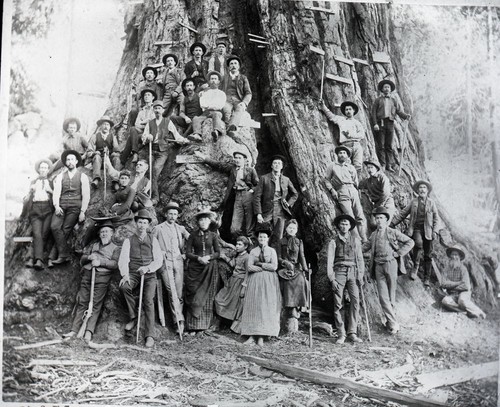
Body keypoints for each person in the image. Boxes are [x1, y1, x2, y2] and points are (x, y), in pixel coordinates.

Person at [63, 221, 120, 341]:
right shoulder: (93, 245)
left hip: (102, 278)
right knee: (82, 302)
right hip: (88, 275)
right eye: (102, 232)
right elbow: (82, 259)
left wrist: (101, 262)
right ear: (99, 234)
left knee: (95, 305)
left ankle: (88, 331)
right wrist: (89, 257)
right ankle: (74, 330)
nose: (104, 234)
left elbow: (115, 264)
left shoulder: (116, 248)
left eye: (106, 232)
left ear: (112, 233)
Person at [363, 207, 414, 334]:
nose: (379, 220)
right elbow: (365, 247)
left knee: (391, 296)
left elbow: (410, 241)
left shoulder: (392, 232)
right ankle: (393, 322)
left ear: (386, 219)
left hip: (391, 264)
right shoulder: (374, 235)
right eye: (377, 218)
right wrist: (353, 249)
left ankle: (391, 322)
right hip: (378, 266)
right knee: (382, 297)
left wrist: (399, 253)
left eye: (381, 218)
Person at [118, 209, 163, 347]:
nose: (142, 225)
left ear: (148, 225)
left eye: (145, 223)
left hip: (149, 275)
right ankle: (133, 316)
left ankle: (150, 335)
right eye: (140, 222)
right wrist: (125, 274)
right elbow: (123, 259)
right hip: (133, 273)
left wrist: (148, 268)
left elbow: (159, 260)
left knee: (148, 300)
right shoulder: (128, 240)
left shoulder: (153, 239)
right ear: (136, 224)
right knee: (124, 286)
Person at [194, 149, 259, 240]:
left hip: (248, 196)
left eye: (239, 158)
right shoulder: (232, 169)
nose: (237, 160)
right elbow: (219, 165)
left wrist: (252, 191)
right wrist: (204, 158)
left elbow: (257, 185)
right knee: (234, 229)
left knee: (249, 227)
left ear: (244, 160)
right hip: (237, 197)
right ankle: (239, 243)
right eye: (236, 158)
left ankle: (249, 248)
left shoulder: (251, 170)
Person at [391, 180, 440, 285]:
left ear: (427, 191)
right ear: (417, 190)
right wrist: (393, 223)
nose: (422, 190)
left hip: (429, 231)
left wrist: (435, 231)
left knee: (428, 254)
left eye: (424, 188)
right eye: (420, 188)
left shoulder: (431, 203)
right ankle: (415, 267)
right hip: (416, 229)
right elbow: (403, 213)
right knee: (418, 244)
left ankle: (427, 277)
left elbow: (436, 219)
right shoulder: (414, 202)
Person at [240, 223, 281, 346]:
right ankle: (252, 335)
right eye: (260, 237)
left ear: (267, 239)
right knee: (254, 305)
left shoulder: (271, 251)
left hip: (269, 282)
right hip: (255, 281)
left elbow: (274, 267)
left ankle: (262, 336)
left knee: (265, 306)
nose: (262, 239)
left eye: (264, 237)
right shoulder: (253, 251)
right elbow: (249, 267)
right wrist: (257, 268)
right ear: (257, 239)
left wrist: (261, 265)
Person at [152, 201, 190, 332]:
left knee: (179, 293)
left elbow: (192, 240)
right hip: (165, 263)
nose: (173, 216)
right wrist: (159, 253)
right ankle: (179, 320)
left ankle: (179, 320)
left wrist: (186, 253)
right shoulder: (158, 228)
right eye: (170, 214)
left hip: (178, 262)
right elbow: (151, 244)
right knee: (171, 290)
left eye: (175, 214)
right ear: (166, 214)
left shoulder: (180, 229)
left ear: (178, 215)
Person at [327, 215, 364, 343]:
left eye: (346, 224)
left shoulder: (356, 240)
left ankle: (352, 332)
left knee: (355, 300)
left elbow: (359, 259)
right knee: (338, 303)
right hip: (339, 272)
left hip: (353, 272)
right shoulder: (333, 241)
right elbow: (330, 261)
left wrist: (361, 275)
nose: (344, 226)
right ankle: (341, 334)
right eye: (342, 224)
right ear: (338, 226)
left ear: (350, 226)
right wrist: (332, 278)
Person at [184, 208, 221, 334]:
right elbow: (188, 253)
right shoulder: (193, 236)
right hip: (195, 269)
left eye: (206, 219)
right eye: (201, 220)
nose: (203, 222)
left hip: (209, 268)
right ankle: (192, 327)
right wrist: (198, 258)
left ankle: (203, 326)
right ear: (198, 222)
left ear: (209, 221)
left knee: (206, 297)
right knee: (193, 295)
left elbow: (217, 252)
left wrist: (208, 257)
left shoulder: (213, 236)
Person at [50, 150, 90, 265]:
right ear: (65, 163)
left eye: (72, 159)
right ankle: (63, 254)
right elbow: (56, 193)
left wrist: (82, 211)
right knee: (54, 226)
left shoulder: (83, 176)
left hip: (75, 207)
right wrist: (57, 206)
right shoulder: (60, 176)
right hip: (62, 205)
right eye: (68, 160)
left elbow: (86, 195)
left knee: (66, 229)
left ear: (76, 161)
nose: (70, 162)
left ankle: (61, 255)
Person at [141, 100, 189, 192]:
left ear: (162, 110)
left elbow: (176, 135)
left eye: (159, 108)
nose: (157, 110)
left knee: (155, 171)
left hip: (163, 151)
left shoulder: (168, 122)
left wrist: (183, 140)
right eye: (155, 108)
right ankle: (144, 194)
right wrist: (147, 137)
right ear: (153, 110)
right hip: (151, 149)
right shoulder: (150, 123)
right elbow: (144, 137)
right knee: (147, 171)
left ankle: (155, 197)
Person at [324, 146, 368, 242]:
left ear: (348, 156)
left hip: (353, 190)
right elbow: (326, 180)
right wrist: (332, 190)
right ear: (337, 155)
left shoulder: (351, 167)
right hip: (341, 190)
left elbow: (355, 181)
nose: (342, 155)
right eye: (340, 153)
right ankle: (357, 240)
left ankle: (364, 239)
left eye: (344, 153)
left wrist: (356, 191)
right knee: (350, 217)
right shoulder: (332, 166)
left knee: (360, 215)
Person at [254, 155, 298, 245]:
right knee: (263, 234)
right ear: (271, 166)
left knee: (279, 236)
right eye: (275, 163)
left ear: (282, 166)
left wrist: (288, 203)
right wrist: (258, 213)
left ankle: (276, 257)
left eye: (279, 163)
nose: (277, 165)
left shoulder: (286, 179)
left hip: (281, 210)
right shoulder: (264, 178)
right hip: (267, 210)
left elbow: (295, 194)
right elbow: (257, 197)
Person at [276, 219, 309, 334]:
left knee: (301, 280)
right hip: (284, 268)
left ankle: (295, 309)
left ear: (296, 230)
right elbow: (278, 257)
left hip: (296, 268)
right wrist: (285, 263)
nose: (291, 230)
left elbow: (302, 256)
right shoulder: (281, 241)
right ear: (286, 229)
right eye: (289, 228)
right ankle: (287, 308)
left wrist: (305, 268)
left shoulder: (299, 242)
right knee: (285, 283)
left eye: (294, 228)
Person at [371, 79, 411, 172]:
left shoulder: (394, 100)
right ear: (382, 89)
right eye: (385, 87)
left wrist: (405, 116)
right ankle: (383, 164)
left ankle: (389, 165)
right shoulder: (378, 100)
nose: (386, 89)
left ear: (390, 89)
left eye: (388, 87)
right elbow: (373, 113)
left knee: (389, 145)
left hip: (390, 123)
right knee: (381, 145)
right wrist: (375, 124)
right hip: (380, 123)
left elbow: (399, 111)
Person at [214, 236, 250, 332]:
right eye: (236, 244)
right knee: (219, 298)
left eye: (240, 244)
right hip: (232, 280)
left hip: (239, 282)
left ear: (245, 247)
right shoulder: (238, 255)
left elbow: (247, 273)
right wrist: (225, 257)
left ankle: (228, 326)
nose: (237, 246)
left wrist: (244, 287)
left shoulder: (247, 257)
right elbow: (234, 265)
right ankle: (218, 324)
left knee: (233, 303)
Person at [319, 100, 366, 173]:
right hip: (345, 146)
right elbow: (331, 116)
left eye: (350, 109)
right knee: (345, 164)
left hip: (356, 145)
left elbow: (362, 135)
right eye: (346, 109)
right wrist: (323, 106)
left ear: (353, 111)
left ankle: (355, 183)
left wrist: (351, 136)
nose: (348, 111)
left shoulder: (357, 123)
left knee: (358, 166)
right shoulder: (341, 120)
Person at [440, 246, 486, 318]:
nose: (454, 257)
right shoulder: (446, 269)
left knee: (462, 300)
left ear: (459, 257)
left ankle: (479, 312)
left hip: (464, 292)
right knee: (445, 301)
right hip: (453, 294)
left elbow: (465, 286)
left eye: (456, 255)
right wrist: (458, 283)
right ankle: (464, 311)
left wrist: (450, 285)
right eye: (452, 254)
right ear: (450, 256)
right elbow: (443, 283)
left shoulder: (463, 269)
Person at [25, 158, 54, 270]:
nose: (43, 170)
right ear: (38, 169)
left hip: (48, 210)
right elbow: (27, 199)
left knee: (43, 234)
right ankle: (39, 260)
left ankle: (32, 258)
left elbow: (57, 196)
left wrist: (50, 190)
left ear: (48, 170)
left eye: (45, 168)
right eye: (41, 168)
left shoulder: (52, 182)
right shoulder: (33, 182)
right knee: (37, 234)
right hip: (35, 210)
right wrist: (30, 192)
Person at [120, 89, 157, 165]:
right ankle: (135, 153)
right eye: (145, 95)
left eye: (148, 95)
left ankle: (123, 159)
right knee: (133, 128)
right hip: (141, 132)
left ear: (153, 97)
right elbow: (137, 124)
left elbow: (153, 121)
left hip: (150, 133)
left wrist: (143, 122)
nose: (146, 97)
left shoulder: (155, 108)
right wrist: (145, 123)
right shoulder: (141, 111)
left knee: (131, 137)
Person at [192, 71, 226, 141]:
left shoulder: (221, 93)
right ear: (209, 81)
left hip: (217, 112)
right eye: (212, 79)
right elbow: (202, 104)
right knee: (196, 118)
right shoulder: (204, 93)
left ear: (218, 81)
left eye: (215, 79)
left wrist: (211, 106)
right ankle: (197, 134)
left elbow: (220, 105)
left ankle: (216, 131)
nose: (213, 81)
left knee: (216, 115)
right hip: (206, 113)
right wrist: (211, 106)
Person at [221, 55, 252, 132]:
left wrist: (244, 103)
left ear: (238, 66)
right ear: (228, 67)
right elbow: (218, 89)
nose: (233, 65)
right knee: (227, 110)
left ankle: (232, 126)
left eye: (235, 63)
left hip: (238, 100)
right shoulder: (224, 77)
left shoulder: (243, 78)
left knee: (240, 109)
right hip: (226, 100)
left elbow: (248, 93)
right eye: (231, 64)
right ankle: (227, 127)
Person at [86, 115, 115, 189]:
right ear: (100, 126)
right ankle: (96, 179)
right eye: (104, 124)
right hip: (98, 161)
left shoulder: (113, 137)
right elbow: (89, 151)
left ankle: (116, 181)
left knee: (116, 158)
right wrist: (95, 153)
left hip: (109, 161)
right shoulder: (95, 136)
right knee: (97, 157)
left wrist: (113, 153)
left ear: (110, 127)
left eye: (107, 125)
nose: (106, 126)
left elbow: (116, 149)